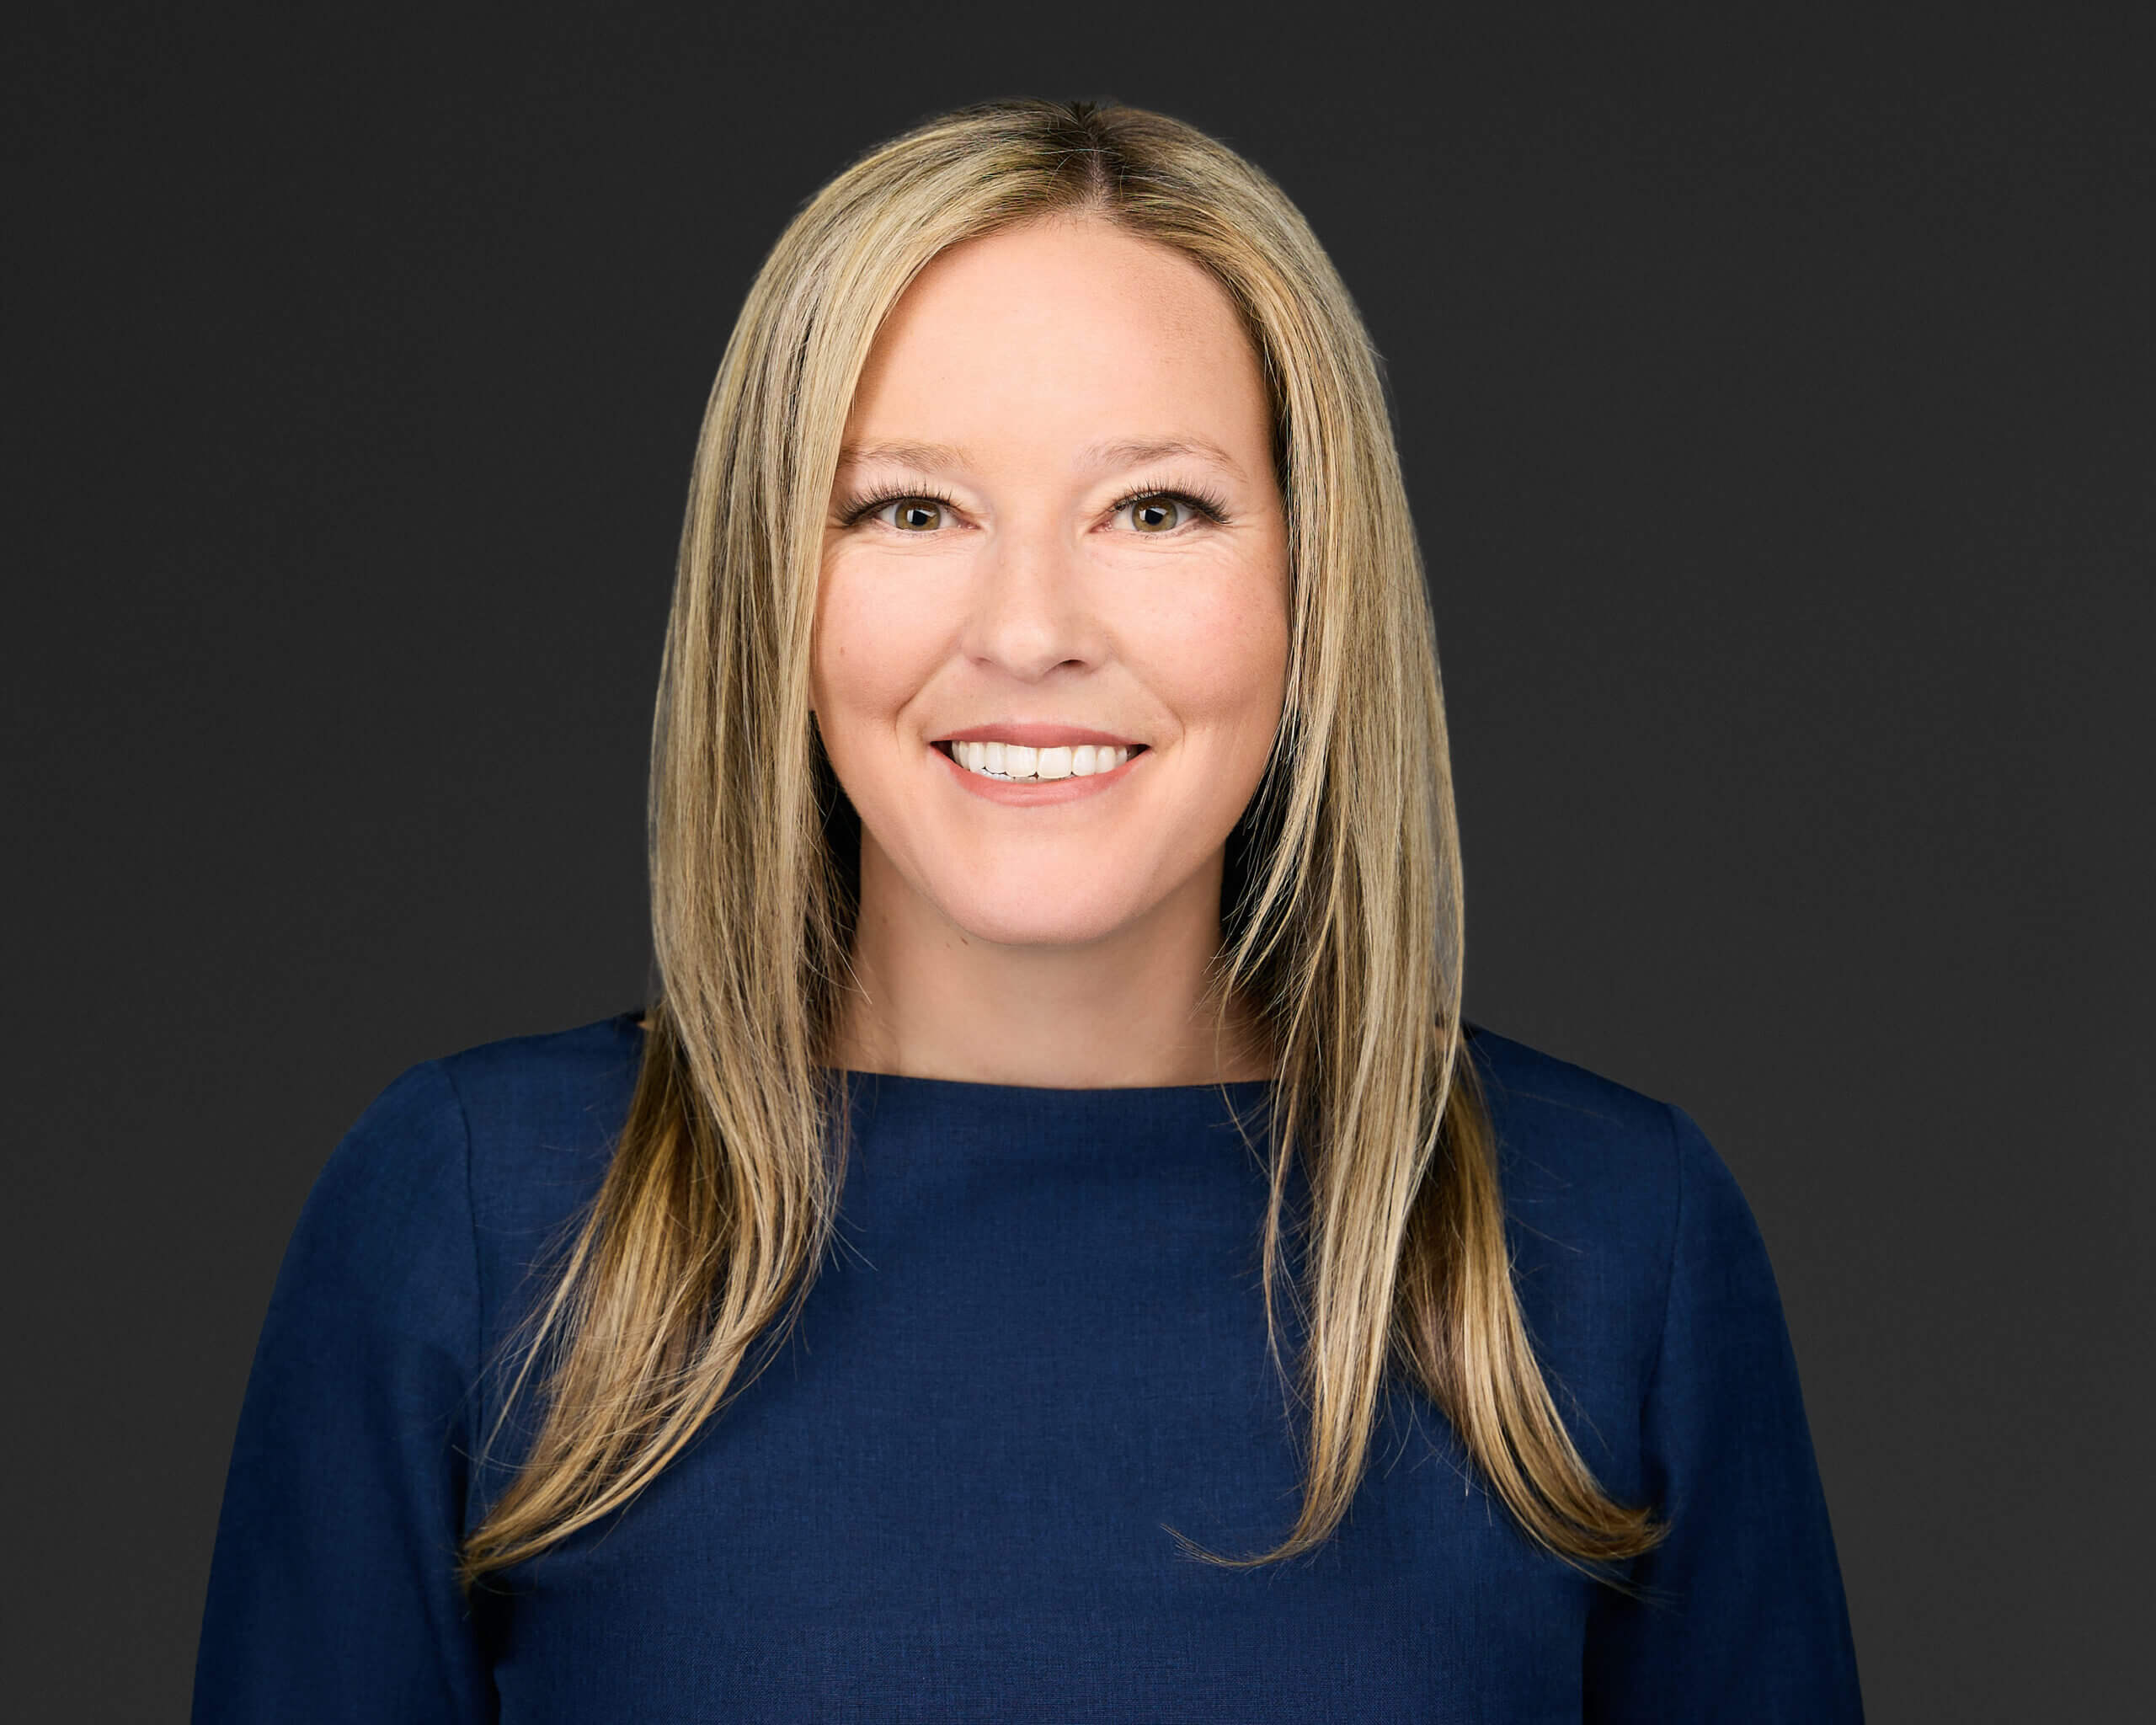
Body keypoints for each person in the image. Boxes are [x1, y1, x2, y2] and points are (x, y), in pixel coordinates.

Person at [193, 98, 1863, 1721]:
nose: (1029, 627)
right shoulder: (477, 1216)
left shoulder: (1604, 1239)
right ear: (774, 584)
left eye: (1154, 509)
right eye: (910, 508)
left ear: (1305, 583)